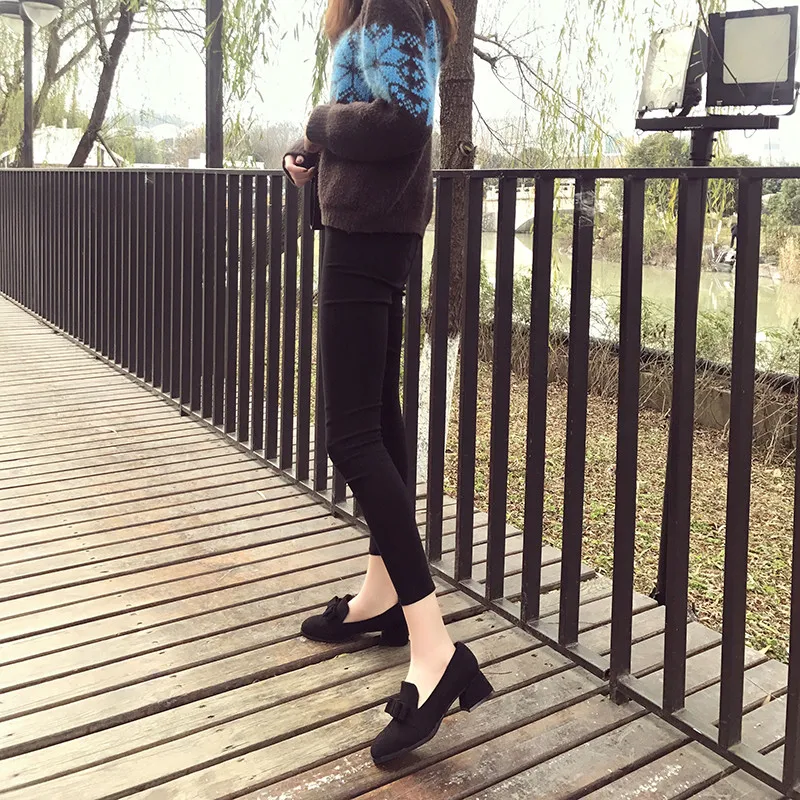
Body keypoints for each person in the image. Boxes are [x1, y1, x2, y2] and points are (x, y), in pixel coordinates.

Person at [283, 0, 493, 766]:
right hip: (371, 227)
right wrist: (312, 151)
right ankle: (383, 598)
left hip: (368, 235)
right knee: (376, 414)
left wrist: (318, 121)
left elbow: (402, 121)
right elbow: (372, 114)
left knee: (349, 435)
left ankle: (435, 651)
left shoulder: (393, 3)